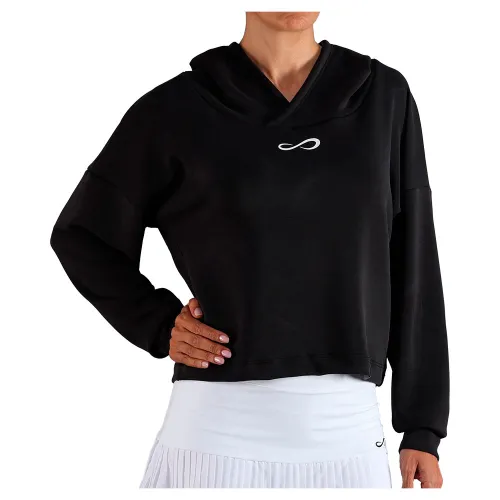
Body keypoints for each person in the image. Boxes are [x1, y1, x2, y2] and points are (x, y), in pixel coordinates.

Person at [49, 11, 449, 489]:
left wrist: (422, 426)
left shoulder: (383, 98)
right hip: (214, 436)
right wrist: (158, 323)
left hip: (348, 440)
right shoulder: (176, 109)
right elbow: (82, 234)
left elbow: (413, 259)